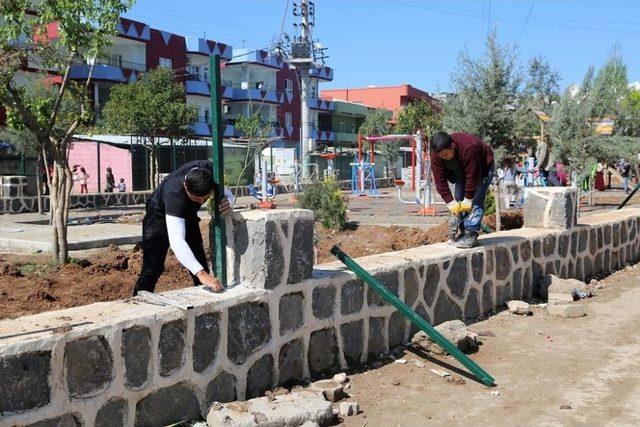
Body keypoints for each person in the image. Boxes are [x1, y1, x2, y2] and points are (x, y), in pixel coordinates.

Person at [133, 160, 231, 295]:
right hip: (157, 218)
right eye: (197, 199)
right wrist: (201, 274)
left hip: (188, 215)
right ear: (186, 187)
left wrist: (228, 201)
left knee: (199, 262)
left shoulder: (208, 171)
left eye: (205, 198)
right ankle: (139, 300)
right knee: (153, 267)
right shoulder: (174, 193)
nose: (201, 202)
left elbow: (226, 192)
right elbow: (177, 241)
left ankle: (205, 307)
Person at [430, 131, 494, 249]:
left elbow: (473, 176)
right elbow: (440, 180)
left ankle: (470, 234)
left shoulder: (468, 146)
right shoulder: (436, 154)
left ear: (453, 146)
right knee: (459, 200)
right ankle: (464, 232)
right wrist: (450, 202)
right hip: (461, 172)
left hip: (482, 169)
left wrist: (469, 199)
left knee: (475, 202)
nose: (444, 158)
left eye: (446, 155)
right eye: (441, 156)